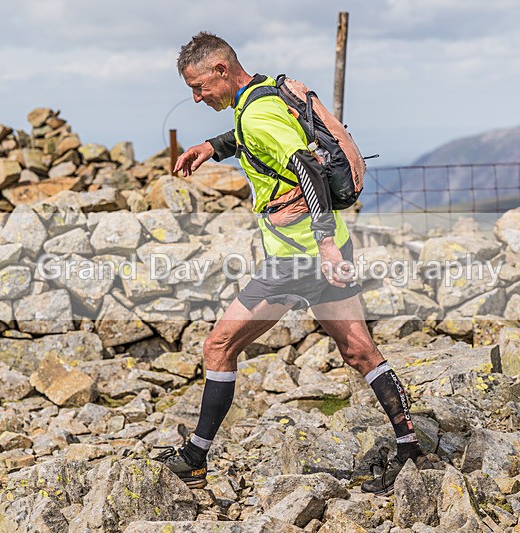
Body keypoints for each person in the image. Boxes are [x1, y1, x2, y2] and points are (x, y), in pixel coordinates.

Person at [155, 31, 427, 496]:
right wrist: (212, 147)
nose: (197, 98)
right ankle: (410, 449)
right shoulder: (263, 94)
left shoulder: (257, 111)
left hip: (298, 257)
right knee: (359, 350)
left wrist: (320, 246)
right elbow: (256, 138)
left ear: (221, 70)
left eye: (199, 87)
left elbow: (306, 165)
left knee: (218, 347)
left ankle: (195, 459)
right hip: (333, 246)